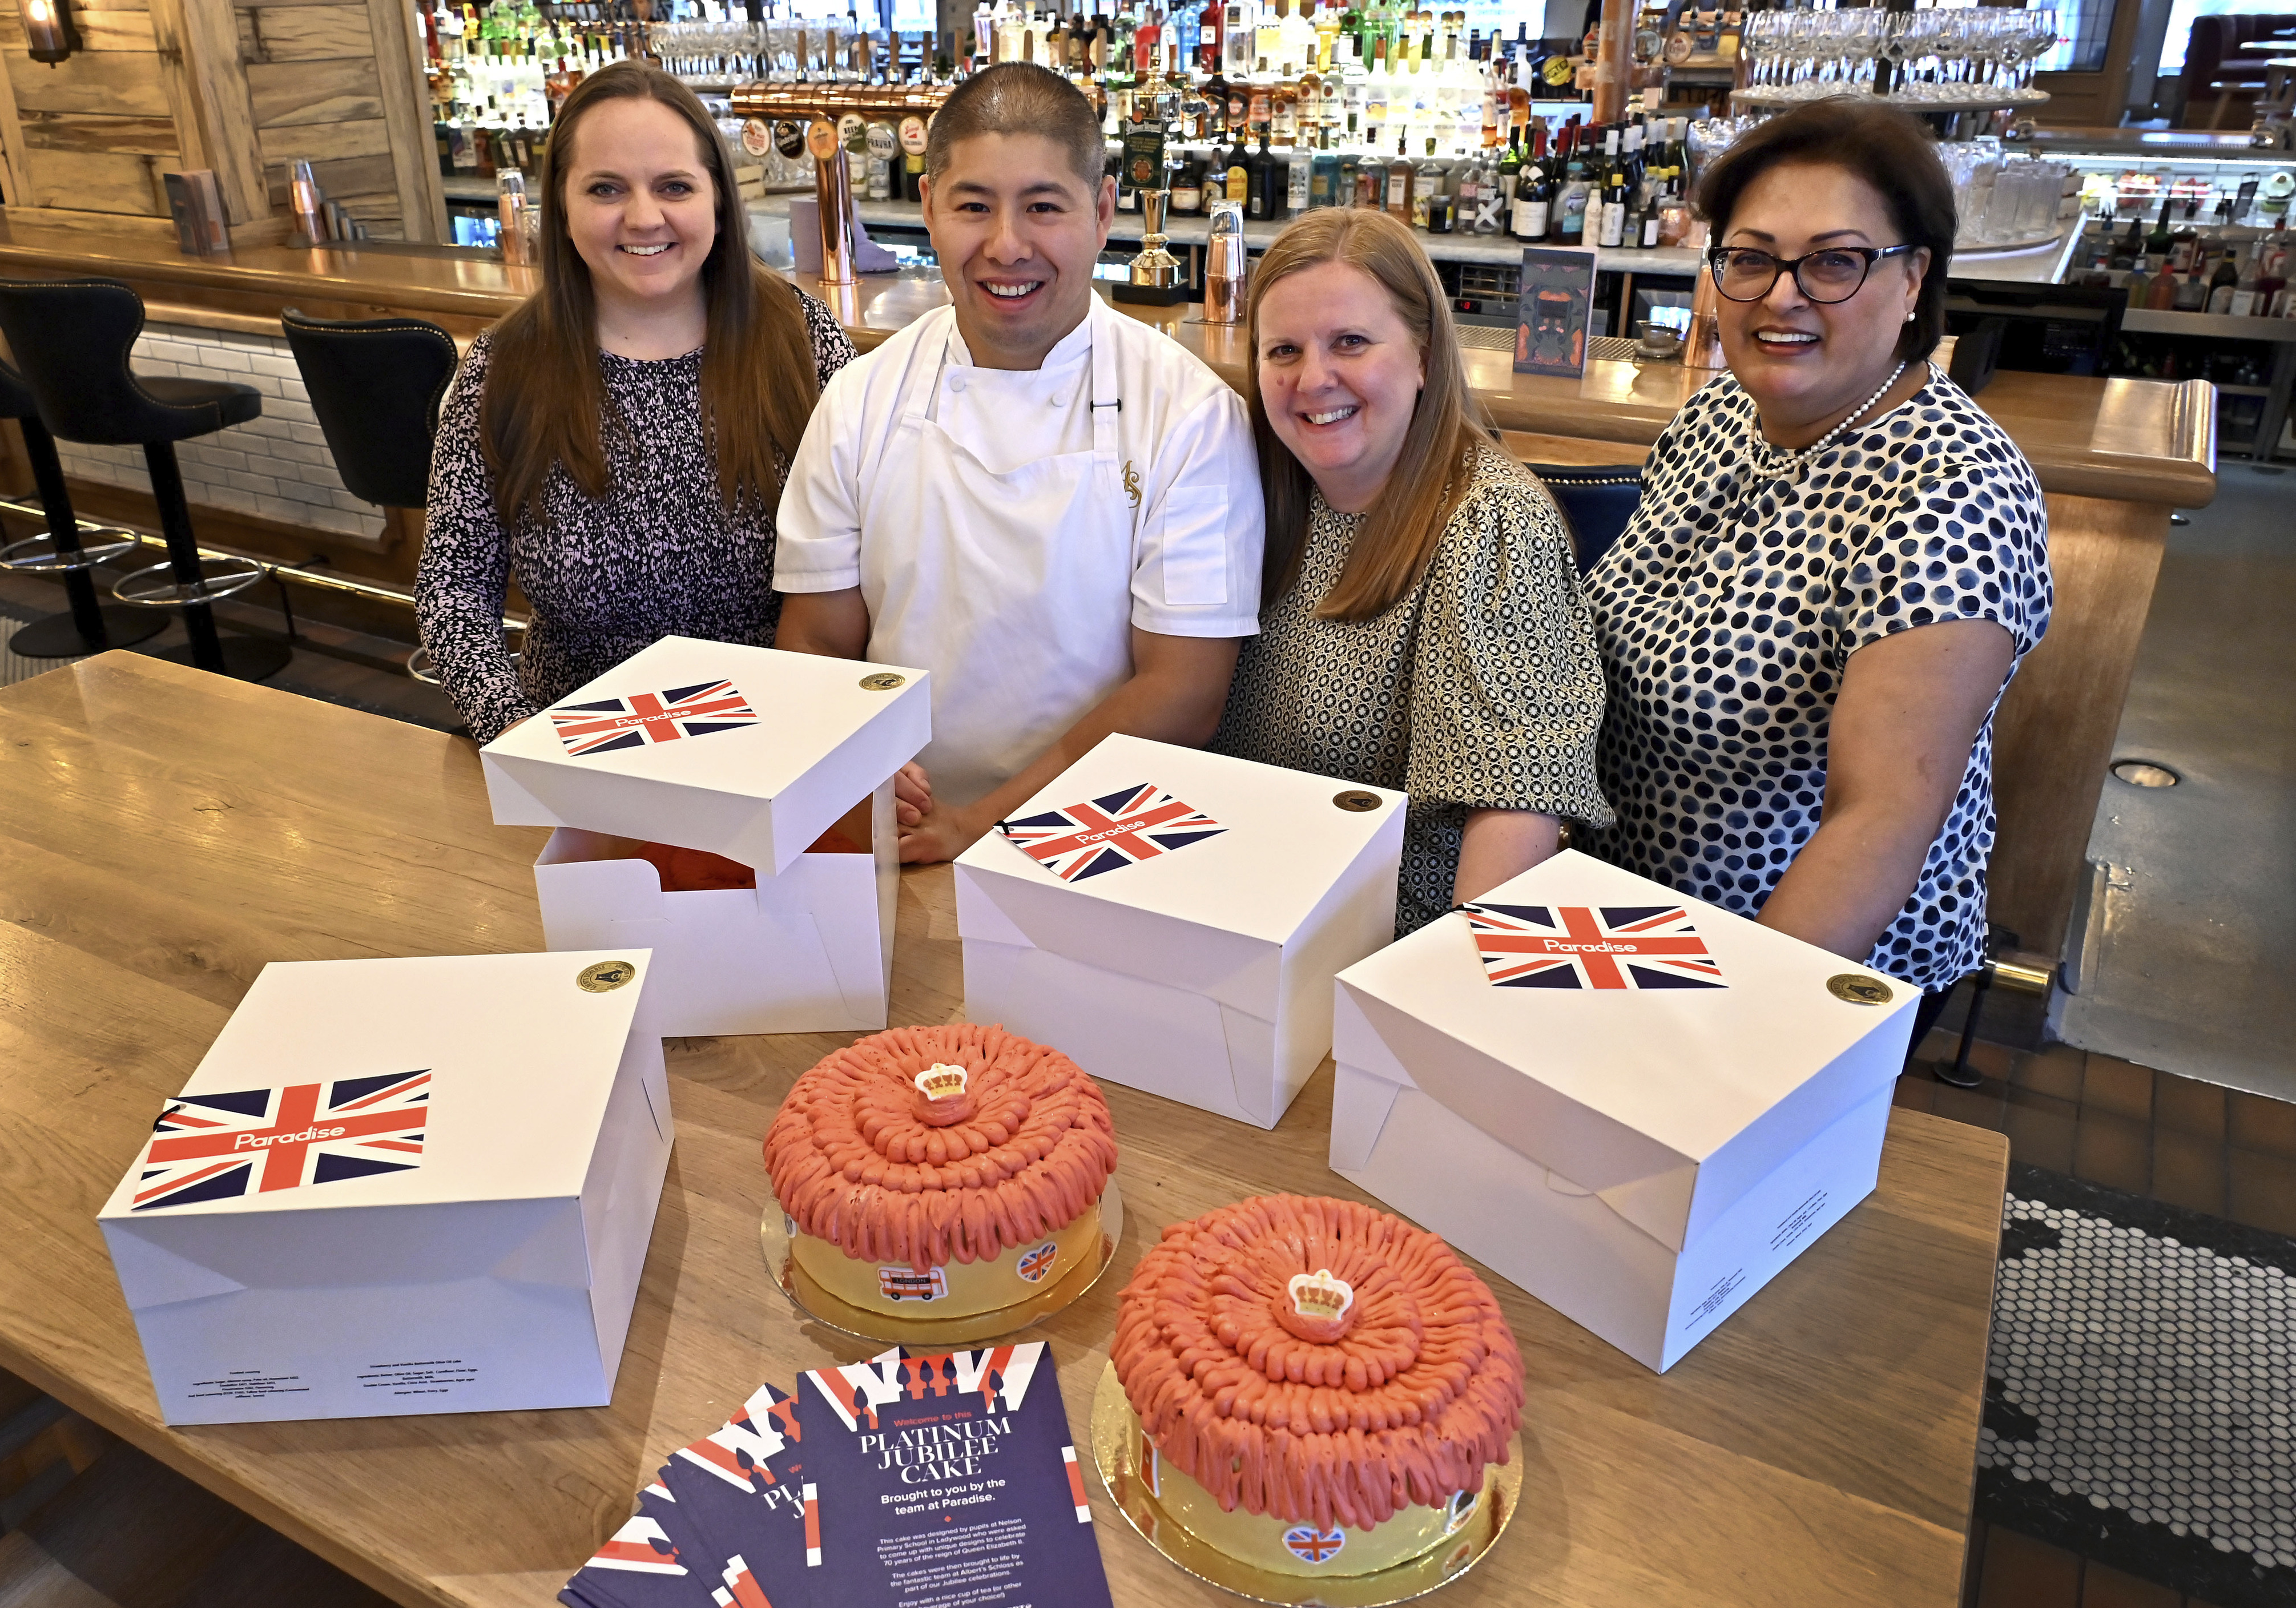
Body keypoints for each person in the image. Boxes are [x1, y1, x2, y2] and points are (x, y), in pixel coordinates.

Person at [1583, 99, 2052, 1034]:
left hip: (1801, 968)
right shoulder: (1720, 415)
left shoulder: (1951, 491)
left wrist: (1738, 1032)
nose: (1780, 294)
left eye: (1834, 261)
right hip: (1635, 921)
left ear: (1915, 277)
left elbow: (1876, 819)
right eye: (1750, 257)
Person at [773, 63, 1264, 864]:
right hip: (889, 828)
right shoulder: (862, 398)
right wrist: (856, 759)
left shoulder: (1188, 413)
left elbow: (1182, 694)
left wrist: (986, 822)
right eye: (973, 206)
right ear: (928, 208)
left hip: (1108, 840)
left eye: (1043, 207)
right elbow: (818, 640)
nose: (1006, 246)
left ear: (1101, 213)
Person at [417, 61, 855, 744]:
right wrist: (513, 734)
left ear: (717, 198)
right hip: (575, 748)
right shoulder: (504, 369)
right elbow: (453, 589)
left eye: (674, 186)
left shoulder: (797, 336)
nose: (644, 216)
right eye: (606, 189)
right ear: (560, 206)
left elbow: (879, 547)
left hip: (783, 742)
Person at [1208, 209, 1610, 935]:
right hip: (1238, 911)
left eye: (1351, 343)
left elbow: (1515, 806)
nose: (1313, 379)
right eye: (1283, 351)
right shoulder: (1254, 487)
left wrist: (1440, 999)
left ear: (1424, 355)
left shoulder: (1490, 524)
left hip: (1381, 946)